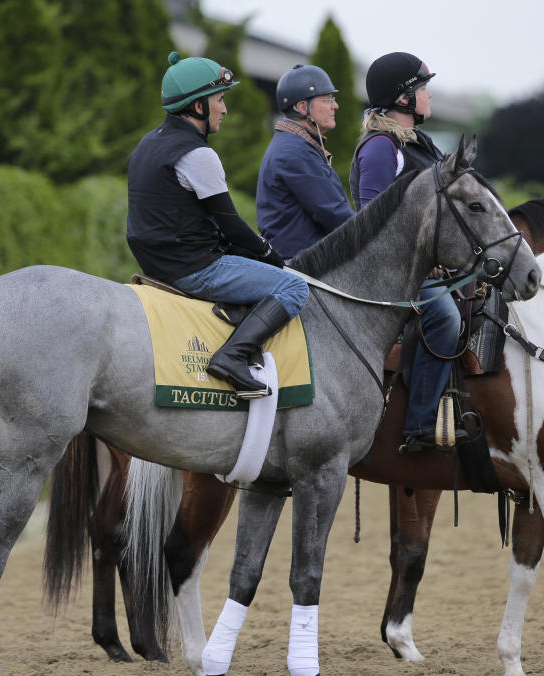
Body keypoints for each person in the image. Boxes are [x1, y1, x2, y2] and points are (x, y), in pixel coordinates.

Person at [127, 52, 309, 399]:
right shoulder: (198, 154)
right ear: (198, 107)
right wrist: (272, 255)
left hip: (154, 265)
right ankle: (233, 357)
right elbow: (232, 227)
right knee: (294, 289)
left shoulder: (146, 144)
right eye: (219, 100)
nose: (224, 109)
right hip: (195, 269)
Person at [350, 52, 463, 448]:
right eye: (422, 88)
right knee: (446, 319)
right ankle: (420, 425)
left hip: (431, 267)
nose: (429, 95)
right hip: (393, 275)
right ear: (403, 99)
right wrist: (424, 263)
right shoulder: (381, 148)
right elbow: (374, 222)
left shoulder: (422, 143)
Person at [256, 64, 354, 259]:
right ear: (302, 107)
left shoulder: (296, 144)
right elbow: (334, 214)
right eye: (327, 100)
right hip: (303, 267)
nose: (336, 106)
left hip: (308, 260)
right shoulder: (295, 151)